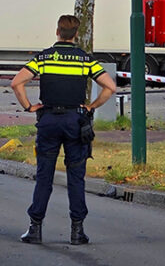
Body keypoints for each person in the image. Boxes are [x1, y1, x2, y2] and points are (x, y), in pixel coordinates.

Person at [10, 14, 117, 245]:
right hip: (74, 122)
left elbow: (16, 82)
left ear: (57, 32)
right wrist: (91, 106)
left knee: (44, 176)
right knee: (76, 177)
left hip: (48, 120)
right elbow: (110, 87)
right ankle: (77, 232)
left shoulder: (44, 57)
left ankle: (35, 229)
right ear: (76, 34)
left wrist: (29, 106)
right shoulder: (84, 59)